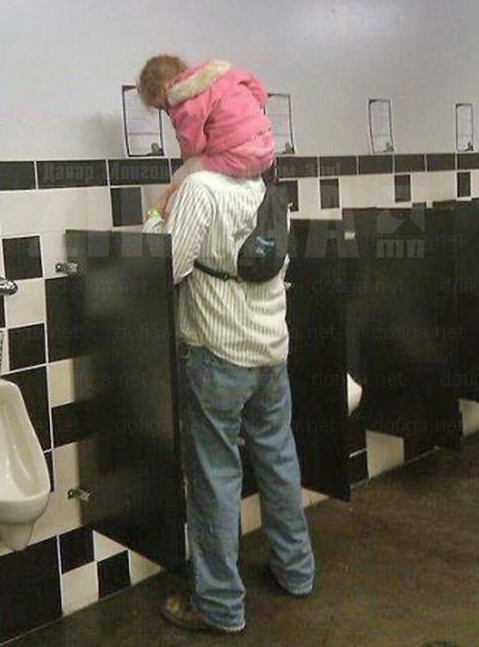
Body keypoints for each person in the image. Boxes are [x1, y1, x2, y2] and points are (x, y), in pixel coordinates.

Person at [144, 168, 315, 634]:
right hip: (271, 351)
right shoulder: (263, 187)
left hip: (219, 353)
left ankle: (219, 604)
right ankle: (296, 571)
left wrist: (158, 213)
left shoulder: (201, 189)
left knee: (214, 476)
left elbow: (165, 266)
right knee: (278, 460)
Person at [138, 55, 275, 216]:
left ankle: (162, 214)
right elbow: (259, 94)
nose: (168, 112)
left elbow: (193, 147)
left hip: (239, 156)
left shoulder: (184, 102)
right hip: (266, 150)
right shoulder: (223, 75)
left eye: (163, 107)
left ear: (163, 90)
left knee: (182, 177)